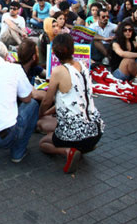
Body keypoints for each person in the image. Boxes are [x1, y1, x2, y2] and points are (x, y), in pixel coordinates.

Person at [39, 34, 103, 174]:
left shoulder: (58, 71)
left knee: (43, 143)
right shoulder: (83, 66)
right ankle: (84, 147)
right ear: (73, 49)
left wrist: (40, 113)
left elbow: (46, 101)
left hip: (75, 135)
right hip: (96, 131)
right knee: (52, 126)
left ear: (54, 53)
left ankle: (68, 151)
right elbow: (71, 99)